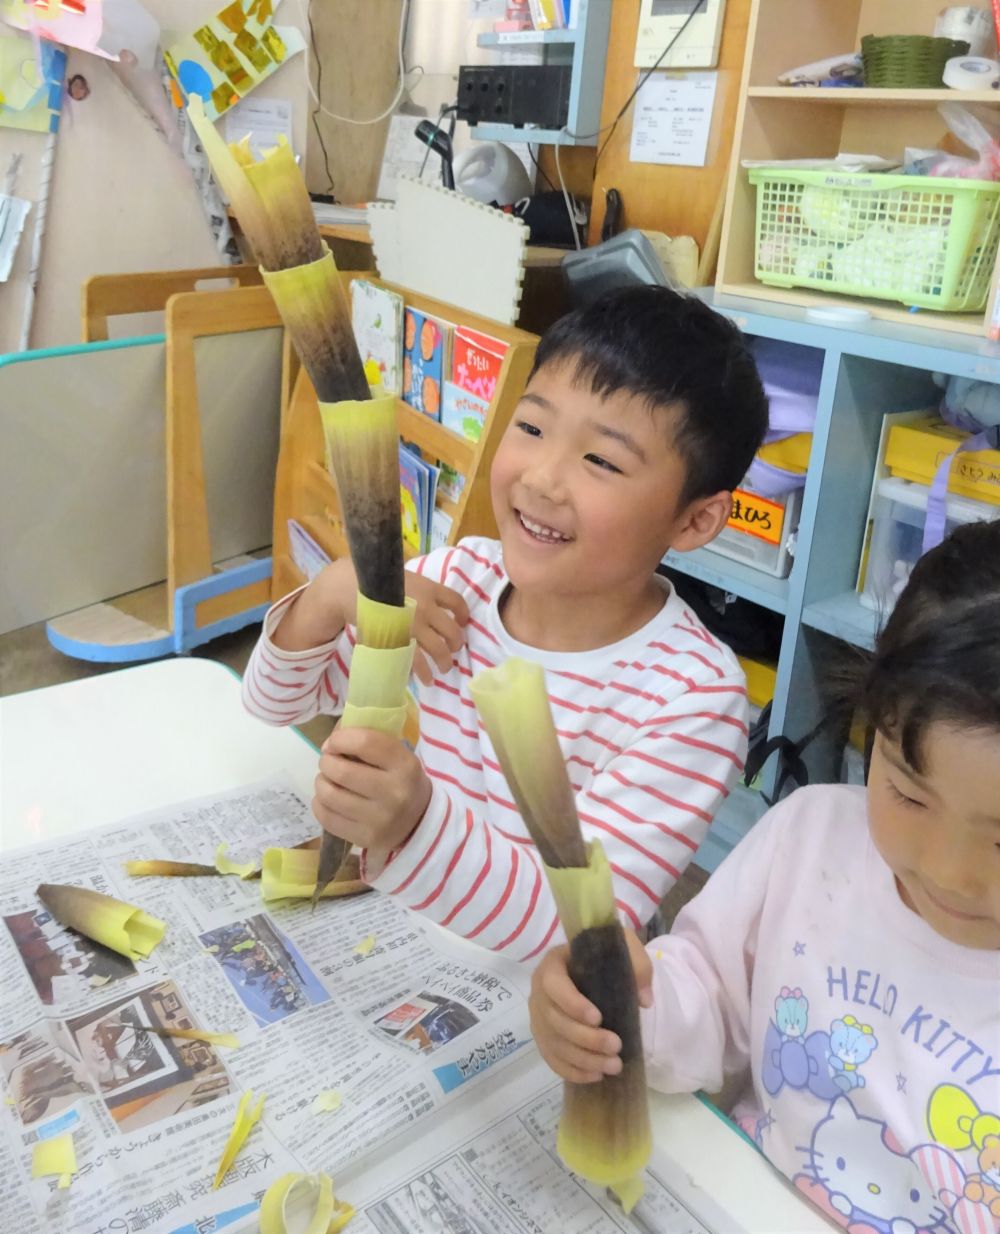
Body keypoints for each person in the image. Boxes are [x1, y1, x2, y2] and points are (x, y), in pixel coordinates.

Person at [243, 287, 768, 960]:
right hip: (409, 937)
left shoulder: (691, 698)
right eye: (531, 427)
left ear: (696, 519)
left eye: (601, 461)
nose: (543, 479)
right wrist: (329, 595)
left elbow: (575, 929)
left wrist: (412, 823)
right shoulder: (459, 580)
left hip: (542, 1007)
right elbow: (273, 701)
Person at [529, 520, 1000, 1234]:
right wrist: (622, 1008)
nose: (951, 872)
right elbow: (709, 999)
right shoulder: (809, 840)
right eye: (908, 793)